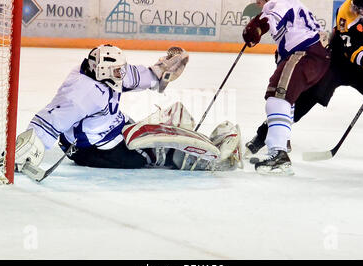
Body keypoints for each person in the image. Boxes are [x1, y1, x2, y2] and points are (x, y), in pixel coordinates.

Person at [14, 45, 242, 179]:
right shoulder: (81, 93)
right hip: (92, 149)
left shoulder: (104, 73)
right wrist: (23, 152)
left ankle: (169, 147)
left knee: (163, 124)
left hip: (110, 130)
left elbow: (134, 75)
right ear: (101, 69)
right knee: (144, 155)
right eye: (116, 70)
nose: (121, 73)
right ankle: (173, 156)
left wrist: (161, 70)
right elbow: (48, 122)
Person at [245, 0, 363, 162]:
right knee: (301, 103)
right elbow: (350, 49)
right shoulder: (346, 13)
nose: (358, 12)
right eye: (356, 7)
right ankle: (261, 137)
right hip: (336, 63)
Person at [242, 0, 330, 175]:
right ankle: (283, 142)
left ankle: (278, 154)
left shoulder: (277, 2)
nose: (256, 0)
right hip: (314, 55)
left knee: (276, 97)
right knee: (286, 100)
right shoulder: (291, 0)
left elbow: (271, 18)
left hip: (305, 53)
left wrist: (257, 27)